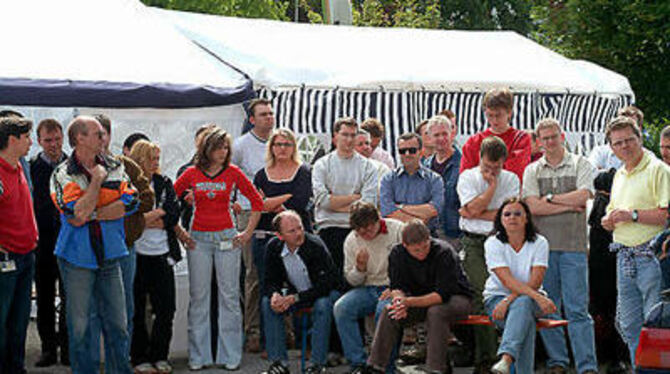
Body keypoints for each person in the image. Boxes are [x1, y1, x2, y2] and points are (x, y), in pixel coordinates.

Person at [50, 116, 138, 373]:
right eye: (98, 133)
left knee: (119, 325)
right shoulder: (62, 173)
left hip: (111, 254)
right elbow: (75, 216)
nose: (104, 138)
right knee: (80, 328)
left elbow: (132, 203)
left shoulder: (115, 165)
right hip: (77, 258)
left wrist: (94, 211)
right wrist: (98, 181)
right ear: (80, 138)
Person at [174, 126, 263, 371]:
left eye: (225, 147)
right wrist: (180, 233)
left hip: (227, 238)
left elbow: (257, 203)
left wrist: (246, 233)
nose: (223, 151)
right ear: (207, 148)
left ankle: (230, 354)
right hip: (199, 239)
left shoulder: (233, 172)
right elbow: (169, 200)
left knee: (230, 297)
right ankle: (198, 355)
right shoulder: (192, 173)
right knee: (199, 298)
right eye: (218, 147)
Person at [522, 118, 598, 374]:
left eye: (554, 136)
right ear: (539, 141)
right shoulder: (532, 169)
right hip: (543, 250)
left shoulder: (581, 163)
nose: (550, 142)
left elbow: (585, 195)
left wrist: (551, 199)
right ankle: (558, 362)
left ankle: (587, 366)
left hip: (574, 246)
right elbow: (532, 207)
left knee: (578, 309)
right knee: (549, 306)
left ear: (563, 136)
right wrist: (568, 206)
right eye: (545, 138)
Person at [601, 116, 670, 365]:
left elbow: (666, 216)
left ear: (640, 138)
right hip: (624, 256)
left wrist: (632, 215)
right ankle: (638, 369)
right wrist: (608, 220)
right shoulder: (619, 173)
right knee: (629, 326)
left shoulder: (659, 170)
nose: (625, 146)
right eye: (618, 143)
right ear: (611, 147)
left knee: (657, 328)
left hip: (652, 257)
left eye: (630, 140)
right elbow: (613, 210)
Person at [89, 114, 155, 372]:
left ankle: (120, 364)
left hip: (124, 247)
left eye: (103, 134)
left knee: (123, 310)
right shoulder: (74, 167)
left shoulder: (124, 165)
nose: (100, 139)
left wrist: (122, 205)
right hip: (88, 249)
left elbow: (147, 198)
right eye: (94, 134)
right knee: (90, 312)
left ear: (109, 135)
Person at [364, 220, 473, 374]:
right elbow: (397, 287)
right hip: (419, 299)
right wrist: (399, 302)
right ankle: (375, 366)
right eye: (416, 250)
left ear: (430, 239)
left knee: (436, 312)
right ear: (405, 245)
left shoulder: (444, 252)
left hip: (455, 299)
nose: (422, 253)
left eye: (425, 247)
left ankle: (436, 368)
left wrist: (407, 302)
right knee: (389, 312)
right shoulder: (397, 254)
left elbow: (441, 295)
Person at [457, 136, 520, 372]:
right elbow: (472, 210)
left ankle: (506, 355)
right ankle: (485, 359)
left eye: (497, 168)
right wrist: (491, 193)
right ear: (479, 158)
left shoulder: (512, 179)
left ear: (504, 162)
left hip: (501, 241)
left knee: (506, 295)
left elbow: (510, 214)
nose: (491, 172)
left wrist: (476, 209)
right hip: (474, 242)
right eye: (487, 167)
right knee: (481, 294)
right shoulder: (468, 177)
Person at [253, 128, 312, 350]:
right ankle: (272, 343)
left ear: (293, 147)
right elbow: (258, 205)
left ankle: (302, 340)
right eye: (278, 144)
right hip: (265, 238)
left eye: (287, 144)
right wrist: (283, 198)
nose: (282, 149)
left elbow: (299, 202)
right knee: (269, 289)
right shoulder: (261, 174)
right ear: (271, 147)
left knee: (300, 287)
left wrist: (270, 202)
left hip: (297, 238)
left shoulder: (304, 171)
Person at [262, 210, 342, 374]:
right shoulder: (273, 247)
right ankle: (279, 364)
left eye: (300, 228)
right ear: (280, 235)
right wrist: (275, 295)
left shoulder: (315, 245)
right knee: (267, 303)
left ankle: (317, 364)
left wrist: (296, 298)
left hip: (322, 294)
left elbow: (327, 284)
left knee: (323, 304)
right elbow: (269, 280)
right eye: (292, 231)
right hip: (294, 294)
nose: (299, 233)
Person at [483, 198, 557, 374]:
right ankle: (515, 366)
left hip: (529, 300)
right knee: (525, 319)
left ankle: (506, 357)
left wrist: (510, 300)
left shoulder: (540, 242)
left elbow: (535, 281)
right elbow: (507, 281)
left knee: (523, 304)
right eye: (507, 214)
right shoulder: (493, 242)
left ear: (526, 218)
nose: (512, 217)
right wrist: (537, 297)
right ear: (500, 219)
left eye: (517, 214)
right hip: (497, 301)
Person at [127, 140, 181, 374]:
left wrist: (150, 217)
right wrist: (152, 217)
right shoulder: (129, 185)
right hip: (137, 256)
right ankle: (139, 357)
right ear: (140, 160)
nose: (156, 163)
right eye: (152, 159)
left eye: (158, 159)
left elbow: (172, 215)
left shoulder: (164, 182)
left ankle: (160, 355)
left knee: (166, 309)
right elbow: (131, 219)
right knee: (137, 310)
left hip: (162, 255)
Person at [334, 202, 403, 372]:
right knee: (341, 308)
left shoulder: (398, 230)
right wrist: (359, 268)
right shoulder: (351, 240)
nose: (366, 235)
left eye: (369, 229)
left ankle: (386, 365)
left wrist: (396, 287)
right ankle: (358, 362)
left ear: (378, 220)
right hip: (368, 287)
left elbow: (410, 266)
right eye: (360, 232)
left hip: (393, 287)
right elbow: (352, 281)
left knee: (385, 311)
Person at [232, 98, 276, 352]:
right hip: (249, 213)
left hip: (277, 212)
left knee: (281, 270)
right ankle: (253, 331)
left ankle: (283, 329)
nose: (268, 118)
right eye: (263, 114)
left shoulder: (280, 142)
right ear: (251, 119)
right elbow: (230, 178)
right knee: (253, 274)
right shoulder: (240, 145)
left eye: (271, 113)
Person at [312, 117, 378, 276]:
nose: (349, 139)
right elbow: (322, 201)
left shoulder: (368, 166)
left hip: (357, 229)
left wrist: (335, 202)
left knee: (355, 276)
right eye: (345, 135)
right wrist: (355, 197)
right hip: (328, 229)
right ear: (335, 137)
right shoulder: (322, 164)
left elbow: (368, 204)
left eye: (353, 135)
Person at [30, 119, 69, 367]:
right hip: (42, 243)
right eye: (48, 140)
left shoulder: (73, 165)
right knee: (44, 297)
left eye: (56, 139)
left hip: (69, 242)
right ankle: (47, 348)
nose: (53, 145)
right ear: (38, 141)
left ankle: (67, 348)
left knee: (70, 297)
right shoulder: (32, 168)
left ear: (63, 137)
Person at [0, 116, 38, 374]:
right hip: (6, 259)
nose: (31, 143)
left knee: (19, 320)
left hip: (26, 256)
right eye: (26, 138)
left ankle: (16, 368)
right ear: (12, 140)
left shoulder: (20, 167)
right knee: (3, 320)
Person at [459, 88, 531, 183]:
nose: (494, 120)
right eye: (490, 115)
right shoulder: (473, 141)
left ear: (509, 113)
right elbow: (465, 177)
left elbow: (516, 173)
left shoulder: (521, 139)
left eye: (498, 115)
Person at [380, 132, 443, 234]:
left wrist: (400, 207)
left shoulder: (434, 179)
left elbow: (434, 209)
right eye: (402, 151)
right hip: (396, 236)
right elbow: (387, 211)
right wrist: (420, 219)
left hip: (427, 236)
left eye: (412, 150)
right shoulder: (388, 179)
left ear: (421, 151)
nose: (407, 154)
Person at [423, 115, 462, 249]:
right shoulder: (425, 166)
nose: (441, 138)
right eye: (436, 135)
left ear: (452, 133)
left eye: (444, 134)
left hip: (454, 232)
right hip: (429, 231)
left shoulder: (463, 163)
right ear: (429, 137)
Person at [588, 105, 644, 171]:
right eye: (622, 124)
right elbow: (588, 172)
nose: (625, 130)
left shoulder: (647, 158)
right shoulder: (600, 152)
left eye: (631, 125)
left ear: (639, 128)